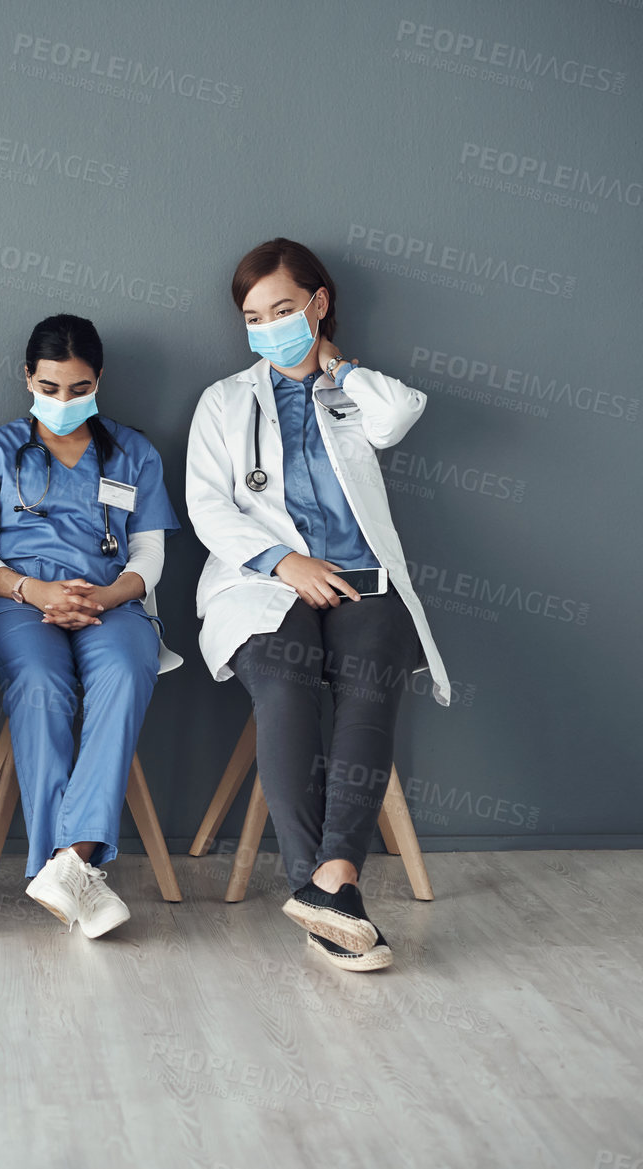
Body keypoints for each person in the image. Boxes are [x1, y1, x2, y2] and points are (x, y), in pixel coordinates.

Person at [184, 239, 451, 971]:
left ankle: (330, 883)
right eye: (252, 315)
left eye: (282, 309)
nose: (268, 325)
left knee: (369, 694)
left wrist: (336, 363)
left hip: (361, 580)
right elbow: (207, 507)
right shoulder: (224, 401)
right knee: (285, 686)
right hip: (262, 584)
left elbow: (397, 416)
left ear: (317, 302)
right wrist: (284, 560)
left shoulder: (347, 391)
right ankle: (327, 893)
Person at [0, 315, 179, 938]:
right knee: (44, 685)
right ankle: (75, 866)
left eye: (78, 389)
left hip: (113, 602)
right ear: (28, 378)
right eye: (49, 388)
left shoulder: (135, 452)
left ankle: (66, 862)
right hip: (16, 604)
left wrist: (102, 596)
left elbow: (149, 557)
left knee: (129, 671)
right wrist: (35, 590)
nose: (63, 401)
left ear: (98, 381)